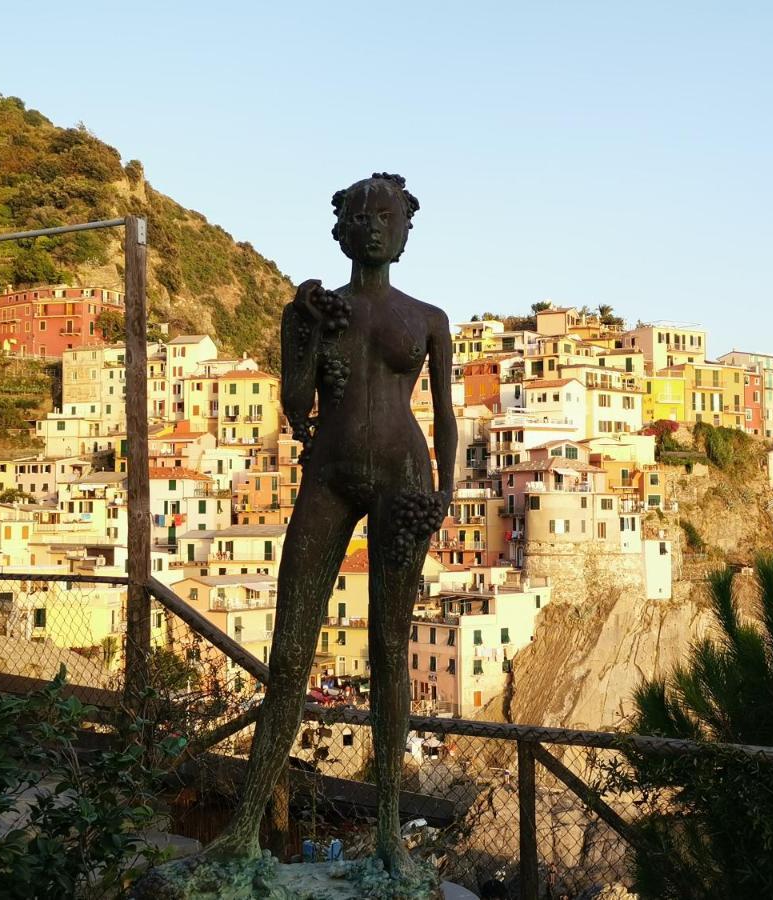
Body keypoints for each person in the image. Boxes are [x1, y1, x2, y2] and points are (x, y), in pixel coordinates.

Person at [208, 174, 456, 875]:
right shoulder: (321, 310)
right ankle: (242, 831)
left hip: (405, 479)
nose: (374, 226)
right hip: (330, 475)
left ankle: (388, 837)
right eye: (360, 215)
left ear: (405, 230)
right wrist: (303, 329)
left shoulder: (429, 318)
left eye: (386, 216)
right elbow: (294, 402)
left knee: (389, 649)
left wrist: (444, 495)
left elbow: (444, 418)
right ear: (341, 229)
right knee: (288, 654)